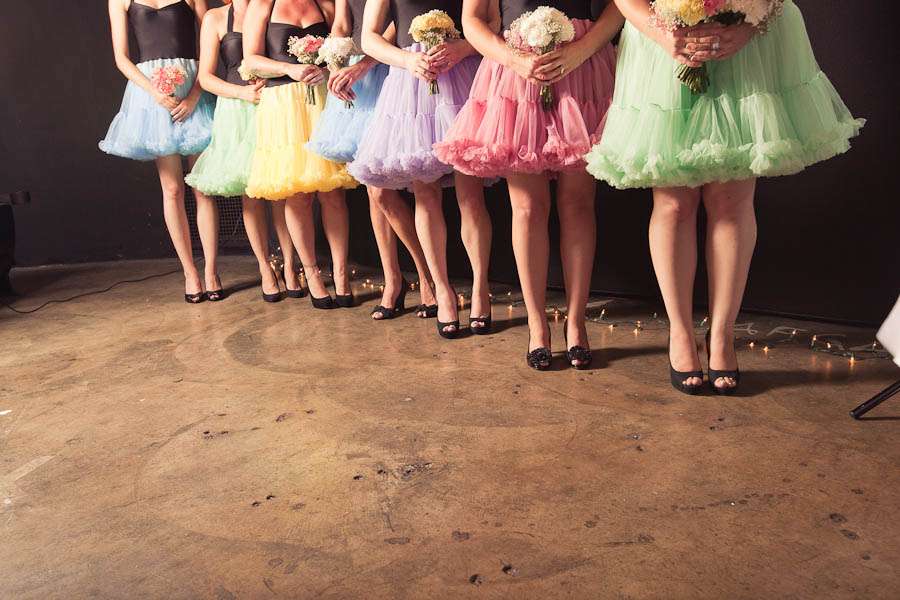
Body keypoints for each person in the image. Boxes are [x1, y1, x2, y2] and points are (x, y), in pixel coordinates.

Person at [586, 0, 864, 393]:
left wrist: (750, 23)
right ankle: (681, 334)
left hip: (744, 46)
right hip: (662, 46)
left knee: (732, 201)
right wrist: (662, 32)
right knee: (674, 203)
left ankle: (721, 335)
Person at [435, 0, 621, 369]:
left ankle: (576, 323)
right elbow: (472, 20)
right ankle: (537, 327)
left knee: (578, 203)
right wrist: (514, 59)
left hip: (583, 65)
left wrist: (582, 49)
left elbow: (618, 6)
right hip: (516, 72)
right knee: (527, 207)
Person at [349, 0, 494, 338]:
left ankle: (480, 289)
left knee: (471, 196)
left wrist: (463, 47)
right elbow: (369, 38)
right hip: (411, 85)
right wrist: (407, 60)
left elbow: (492, 21)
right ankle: (442, 291)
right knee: (424, 194)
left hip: (463, 74)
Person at [306, 0, 438, 319]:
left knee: (384, 191)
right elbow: (341, 25)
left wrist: (363, 64)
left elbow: (395, 23)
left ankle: (427, 277)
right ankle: (394, 279)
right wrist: (335, 68)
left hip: (390, 69)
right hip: (356, 77)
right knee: (374, 190)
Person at [100, 0, 220, 303]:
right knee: (172, 189)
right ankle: (190, 273)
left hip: (193, 87)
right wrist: (154, 92)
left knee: (202, 187)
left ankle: (211, 272)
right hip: (150, 95)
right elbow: (121, 58)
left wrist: (195, 94)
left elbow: (210, 44)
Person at [243, 0, 359, 309]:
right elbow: (250, 59)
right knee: (298, 194)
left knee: (334, 193)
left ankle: (341, 273)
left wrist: (331, 68)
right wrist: (289, 68)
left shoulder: (324, 3)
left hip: (321, 100)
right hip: (282, 105)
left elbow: (341, 45)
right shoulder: (262, 5)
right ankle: (312, 273)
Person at [185, 0, 289, 302]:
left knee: (281, 190)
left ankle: (291, 265)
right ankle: (265, 269)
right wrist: (242, 92)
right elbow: (205, 77)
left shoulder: (271, 7)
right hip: (237, 110)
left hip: (275, 102)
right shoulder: (216, 18)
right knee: (250, 193)